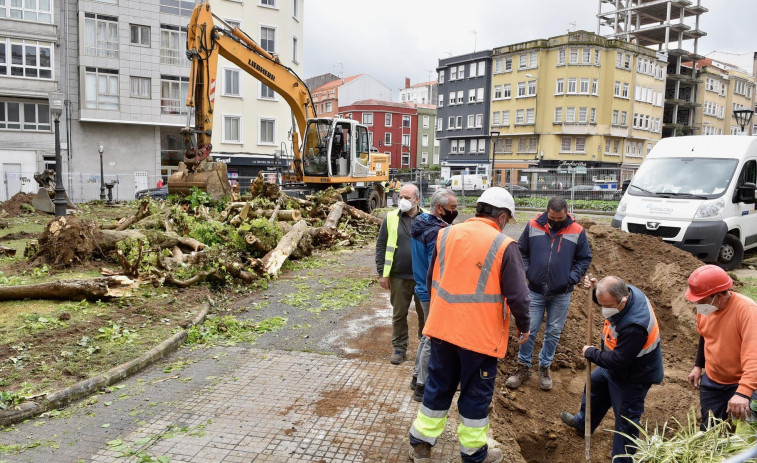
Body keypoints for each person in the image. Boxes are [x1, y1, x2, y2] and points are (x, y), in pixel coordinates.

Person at [408, 187, 531, 463]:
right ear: (501, 216)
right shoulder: (503, 245)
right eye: (508, 219)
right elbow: (519, 297)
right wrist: (524, 326)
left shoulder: (446, 234)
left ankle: (421, 445)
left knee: (438, 386)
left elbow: (431, 279)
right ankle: (474, 453)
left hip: (442, 329)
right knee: (475, 396)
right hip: (479, 337)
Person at [560, 275, 663, 463]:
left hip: (633, 376)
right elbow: (607, 298)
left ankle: (622, 459)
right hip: (614, 366)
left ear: (622, 301)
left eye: (607, 306)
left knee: (626, 421)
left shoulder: (635, 325)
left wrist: (591, 353)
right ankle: (584, 423)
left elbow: (618, 360)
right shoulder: (624, 291)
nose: (604, 310)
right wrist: (594, 291)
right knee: (595, 386)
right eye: (601, 304)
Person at [506, 196, 592, 391]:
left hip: (562, 292)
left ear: (566, 214)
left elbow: (584, 258)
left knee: (553, 332)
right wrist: (527, 271)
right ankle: (523, 367)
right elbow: (521, 251)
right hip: (534, 290)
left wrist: (571, 278)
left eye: (560, 219)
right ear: (547, 213)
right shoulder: (533, 226)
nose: (555, 221)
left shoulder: (577, 231)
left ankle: (544, 367)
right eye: (552, 217)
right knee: (529, 329)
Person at [685, 264, 757, 429]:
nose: (698, 305)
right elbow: (705, 335)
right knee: (710, 429)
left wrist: (743, 392)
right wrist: (698, 366)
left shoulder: (747, 311)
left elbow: (754, 355)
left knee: (745, 434)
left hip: (743, 382)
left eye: (701, 300)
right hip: (713, 381)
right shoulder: (706, 308)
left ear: (717, 296)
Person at [409, 188, 458, 402]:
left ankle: (415, 376)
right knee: (432, 337)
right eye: (453, 208)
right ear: (439, 208)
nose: (455, 211)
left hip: (421, 286)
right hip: (432, 291)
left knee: (427, 334)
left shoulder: (420, 223)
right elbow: (436, 267)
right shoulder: (437, 232)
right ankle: (422, 385)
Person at [375, 183, 425, 365]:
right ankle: (399, 348)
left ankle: (425, 349)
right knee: (399, 314)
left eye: (407, 198)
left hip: (422, 278)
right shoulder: (391, 218)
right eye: (400, 197)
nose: (402, 201)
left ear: (417, 199)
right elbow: (381, 245)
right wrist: (382, 272)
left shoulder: (427, 218)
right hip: (398, 276)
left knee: (425, 315)